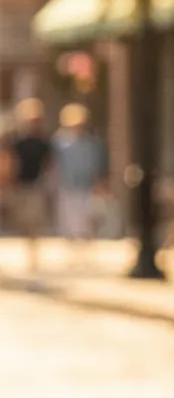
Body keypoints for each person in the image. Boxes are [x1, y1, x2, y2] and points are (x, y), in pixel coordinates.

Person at [51, 105, 108, 258]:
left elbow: (97, 163)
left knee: (86, 216)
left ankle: (85, 245)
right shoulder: (60, 142)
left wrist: (99, 182)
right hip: (68, 184)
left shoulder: (91, 143)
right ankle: (72, 245)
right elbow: (55, 164)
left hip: (86, 184)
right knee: (69, 217)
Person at [5, 99, 54, 271]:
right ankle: (28, 245)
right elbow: (10, 163)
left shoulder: (44, 142)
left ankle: (33, 251)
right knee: (21, 221)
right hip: (20, 185)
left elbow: (49, 164)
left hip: (36, 185)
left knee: (34, 220)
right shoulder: (17, 142)